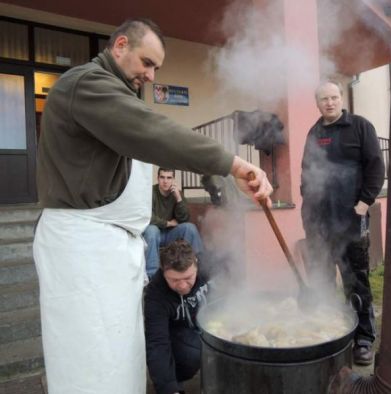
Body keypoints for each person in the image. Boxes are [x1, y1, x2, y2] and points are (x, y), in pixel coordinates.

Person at [33, 18, 272, 394]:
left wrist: (220, 182)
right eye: (147, 62)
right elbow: (156, 134)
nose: (151, 73)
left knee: (121, 357)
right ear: (121, 45)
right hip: (83, 248)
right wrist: (234, 164)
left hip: (112, 249)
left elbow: (155, 142)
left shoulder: (120, 98)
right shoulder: (87, 85)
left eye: (157, 67)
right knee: (93, 365)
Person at [300, 80, 385, 366]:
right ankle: (330, 333)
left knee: (356, 281)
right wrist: (308, 213)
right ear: (318, 103)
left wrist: (364, 203)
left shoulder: (361, 127)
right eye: (324, 98)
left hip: (352, 221)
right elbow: (306, 174)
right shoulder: (314, 133)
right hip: (320, 223)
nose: (330, 102)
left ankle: (363, 339)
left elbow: (376, 167)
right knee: (322, 279)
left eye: (334, 97)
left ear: (340, 99)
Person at [144, 239, 207, 394]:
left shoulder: (209, 264)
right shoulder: (155, 294)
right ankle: (176, 382)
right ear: (163, 271)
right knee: (191, 354)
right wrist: (168, 389)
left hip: (210, 323)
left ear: (196, 264)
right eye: (174, 280)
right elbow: (157, 344)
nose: (182, 286)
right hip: (180, 336)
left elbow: (233, 282)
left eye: (188, 278)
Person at [143, 168, 203, 278]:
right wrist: (167, 223)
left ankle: (198, 267)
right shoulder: (150, 192)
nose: (165, 181)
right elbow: (147, 216)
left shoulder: (176, 193)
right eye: (162, 177)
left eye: (169, 178)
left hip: (171, 234)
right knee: (152, 230)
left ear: (173, 180)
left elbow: (184, 218)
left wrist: (178, 198)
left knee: (190, 228)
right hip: (155, 234)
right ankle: (153, 276)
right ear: (158, 178)